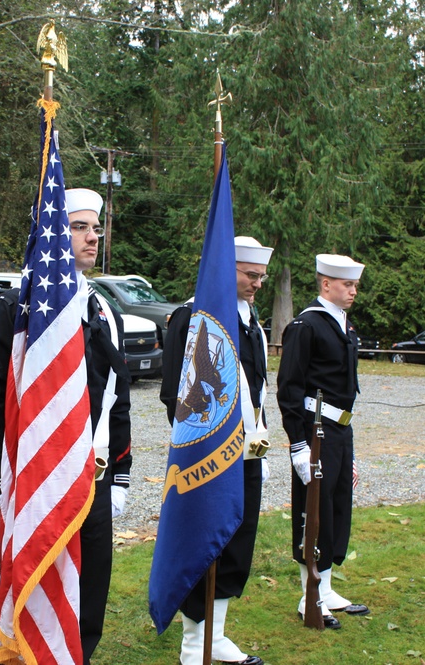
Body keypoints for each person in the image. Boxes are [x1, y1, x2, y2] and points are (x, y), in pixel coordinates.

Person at [0, 188, 131, 664]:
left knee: (89, 597)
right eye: (78, 228)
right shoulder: (13, 310)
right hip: (32, 483)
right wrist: (0, 480)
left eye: (95, 229)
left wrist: (119, 473)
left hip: (91, 484)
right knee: (33, 596)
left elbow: (116, 400)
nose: (91, 238)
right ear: (49, 236)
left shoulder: (103, 311)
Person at [159, 236, 272, 665]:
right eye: (250, 275)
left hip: (247, 453)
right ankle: (194, 643)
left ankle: (217, 633)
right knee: (204, 544)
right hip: (207, 455)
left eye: (261, 276)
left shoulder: (251, 321)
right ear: (226, 270)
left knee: (236, 542)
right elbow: (176, 396)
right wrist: (206, 448)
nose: (257, 284)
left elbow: (257, 389)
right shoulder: (190, 318)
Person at [276, 253, 370, 630]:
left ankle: (326, 588)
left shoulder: (343, 325)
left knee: (336, 509)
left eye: (355, 285)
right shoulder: (307, 325)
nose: (352, 291)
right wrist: (297, 444)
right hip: (315, 432)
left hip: (339, 431)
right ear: (325, 284)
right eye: (346, 284)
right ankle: (308, 595)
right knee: (312, 511)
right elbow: (289, 389)